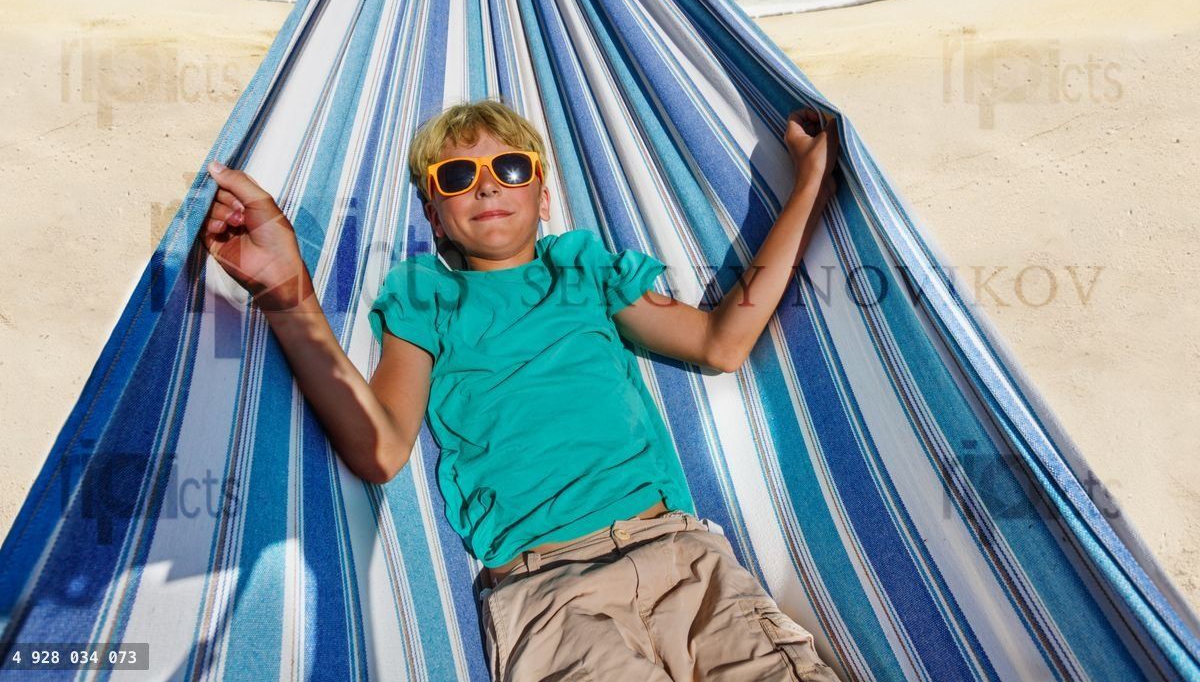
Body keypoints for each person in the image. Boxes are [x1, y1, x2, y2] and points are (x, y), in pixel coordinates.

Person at [201, 98, 843, 681]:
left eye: (510, 167)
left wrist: (810, 181)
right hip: (547, 594)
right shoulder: (427, 294)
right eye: (456, 177)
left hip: (681, 558)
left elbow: (720, 343)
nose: (485, 185)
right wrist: (287, 292)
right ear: (435, 215)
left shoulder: (584, 269)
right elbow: (382, 448)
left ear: (543, 196)